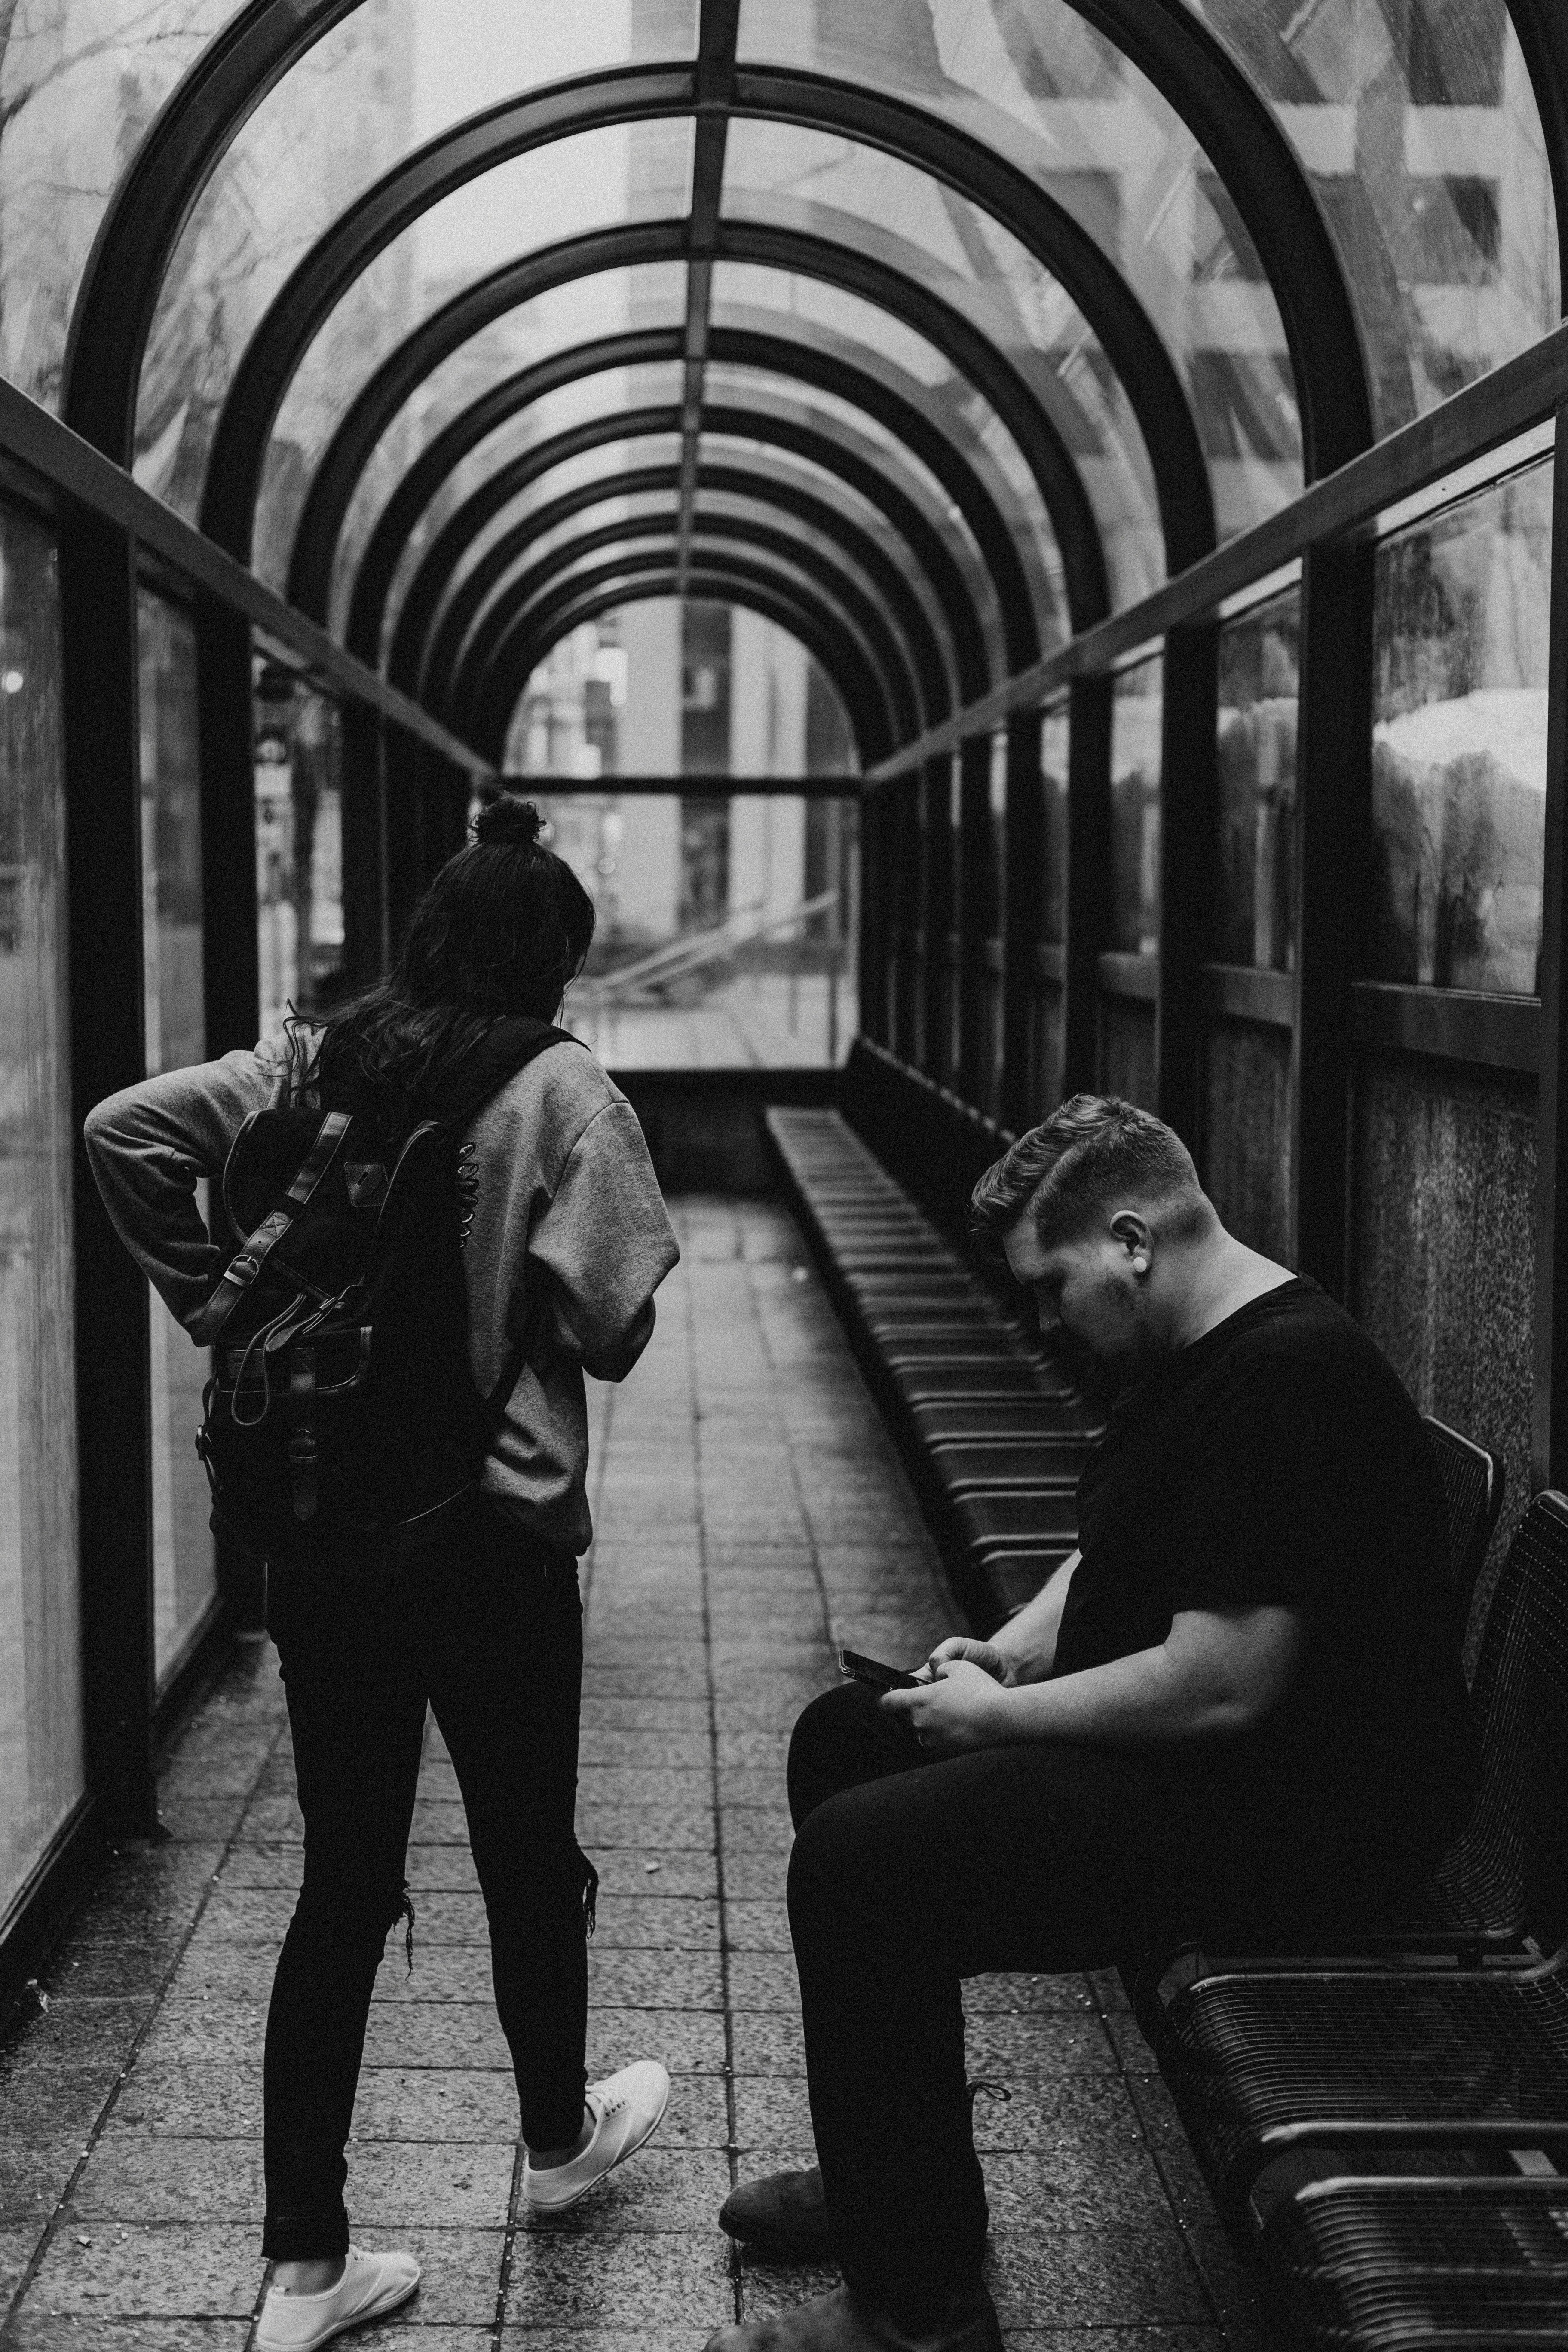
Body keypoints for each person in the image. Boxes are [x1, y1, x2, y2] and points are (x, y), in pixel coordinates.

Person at [709, 1094, 1477, 2352]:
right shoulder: (1208, 1349)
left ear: (1131, 1240)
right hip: (1235, 1769)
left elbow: (1229, 1678)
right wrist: (1012, 1654)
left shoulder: (1286, 1382)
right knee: (847, 1738)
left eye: (1052, 1285)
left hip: (1303, 1819)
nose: (1043, 1315)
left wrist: (1002, 1728)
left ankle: (919, 2310)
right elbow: (1123, 1543)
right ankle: (895, 2184)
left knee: (864, 1864)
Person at [86, 796, 680, 2352]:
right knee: (526, 1857)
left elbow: (121, 1130)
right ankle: (558, 2145)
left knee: (342, 1892)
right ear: (553, 958)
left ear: (422, 938)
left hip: (327, 1536)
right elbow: (616, 1322)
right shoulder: (562, 1087)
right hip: (492, 1538)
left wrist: (214, 1302)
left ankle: (302, 2271)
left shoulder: (312, 1056)